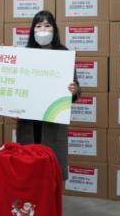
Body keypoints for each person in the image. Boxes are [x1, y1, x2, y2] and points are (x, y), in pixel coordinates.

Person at [15, 10, 80, 180]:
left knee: (51, 173)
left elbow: (76, 86)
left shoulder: (64, 54)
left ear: (54, 29)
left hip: (52, 123)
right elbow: (16, 86)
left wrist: (74, 90)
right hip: (29, 123)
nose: (43, 30)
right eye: (38, 26)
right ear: (32, 30)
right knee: (29, 172)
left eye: (47, 25)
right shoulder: (24, 54)